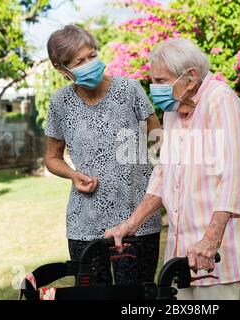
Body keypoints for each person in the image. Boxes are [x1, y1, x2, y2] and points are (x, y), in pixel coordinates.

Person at [105, 38, 240, 299]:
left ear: (191, 77)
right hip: (182, 252)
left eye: (161, 80)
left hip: (219, 251)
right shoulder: (173, 108)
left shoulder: (220, 100)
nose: (154, 88)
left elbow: (233, 176)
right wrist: (131, 223)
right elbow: (164, 173)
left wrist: (211, 240)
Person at [44, 25, 161, 285]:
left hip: (136, 219)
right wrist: (72, 175)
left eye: (91, 56)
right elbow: (52, 157)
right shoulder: (60, 103)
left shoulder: (130, 90)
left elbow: (158, 140)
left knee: (136, 299)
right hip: (85, 222)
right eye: (79, 61)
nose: (89, 64)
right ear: (62, 69)